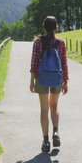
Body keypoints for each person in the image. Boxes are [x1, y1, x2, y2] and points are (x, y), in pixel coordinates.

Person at [29, 16, 69, 153]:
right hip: (56, 78)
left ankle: (46, 141)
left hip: (41, 78)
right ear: (56, 27)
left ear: (44, 27)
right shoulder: (60, 42)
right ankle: (56, 132)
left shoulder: (38, 42)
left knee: (44, 109)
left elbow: (34, 63)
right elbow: (64, 63)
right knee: (54, 106)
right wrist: (65, 81)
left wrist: (32, 82)